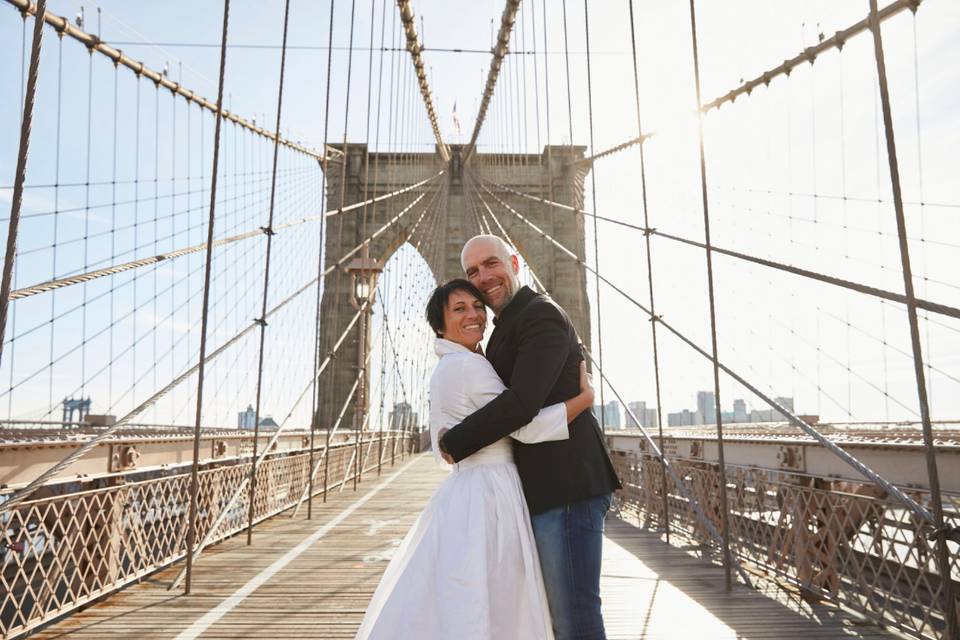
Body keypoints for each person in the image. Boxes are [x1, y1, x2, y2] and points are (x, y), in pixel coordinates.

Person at [356, 279, 595, 640]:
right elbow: (524, 427)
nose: (474, 315)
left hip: (465, 492)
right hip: (492, 492)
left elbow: (443, 449)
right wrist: (584, 400)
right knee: (500, 597)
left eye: (477, 306)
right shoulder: (470, 367)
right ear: (440, 326)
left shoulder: (448, 367)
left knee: (468, 595)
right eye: (459, 309)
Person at [439, 235, 622, 640]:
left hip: (567, 488)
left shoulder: (539, 315)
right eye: (473, 272)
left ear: (515, 262)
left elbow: (521, 405)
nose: (484, 277)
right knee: (555, 619)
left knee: (575, 619)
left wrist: (452, 443)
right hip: (541, 492)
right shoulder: (505, 326)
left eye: (492, 264)